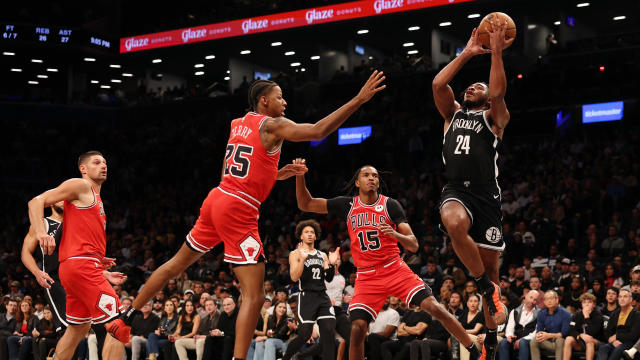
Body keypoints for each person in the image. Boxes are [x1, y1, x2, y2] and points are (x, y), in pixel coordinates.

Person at [123, 71, 386, 360]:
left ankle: (128, 313)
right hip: (238, 208)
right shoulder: (273, 124)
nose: (284, 102)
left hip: (217, 198)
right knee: (255, 295)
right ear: (264, 101)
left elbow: (247, 164)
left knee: (174, 265)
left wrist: (277, 173)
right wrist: (359, 99)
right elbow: (317, 131)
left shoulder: (238, 123)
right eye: (279, 97)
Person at [295, 163, 482, 360]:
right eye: (366, 175)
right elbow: (305, 204)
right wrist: (300, 176)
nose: (372, 178)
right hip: (366, 276)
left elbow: (414, 245)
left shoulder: (389, 205)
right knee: (357, 328)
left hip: (394, 268)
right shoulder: (347, 205)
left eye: (375, 176)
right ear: (357, 182)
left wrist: (395, 234)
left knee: (435, 307)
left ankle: (473, 348)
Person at [432, 18, 514, 360]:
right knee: (452, 223)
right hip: (456, 190)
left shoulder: (495, 118)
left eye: (476, 87)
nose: (471, 88)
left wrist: (496, 53)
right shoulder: (451, 114)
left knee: (492, 276)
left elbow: (497, 92)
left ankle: (491, 340)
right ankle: (482, 286)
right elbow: (438, 83)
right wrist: (466, 53)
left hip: (486, 196)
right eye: (469, 87)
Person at [26, 151, 129, 360]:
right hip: (81, 267)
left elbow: (80, 237)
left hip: (76, 268)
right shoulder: (81, 185)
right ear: (83, 169)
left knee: (77, 329)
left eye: (105, 162)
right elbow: (35, 202)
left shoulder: (95, 198)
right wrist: (41, 232)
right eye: (96, 162)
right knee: (117, 325)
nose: (103, 165)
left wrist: (99, 261)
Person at [283, 220, 340, 360]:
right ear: (301, 236)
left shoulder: (322, 255)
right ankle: (287, 358)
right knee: (304, 335)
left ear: (315, 237)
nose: (309, 234)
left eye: (312, 232)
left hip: (322, 296)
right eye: (306, 232)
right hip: (306, 297)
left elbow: (329, 278)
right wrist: (302, 260)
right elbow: (294, 277)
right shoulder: (295, 254)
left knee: (328, 331)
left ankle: (302, 356)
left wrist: (332, 265)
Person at [599, 289, 640, 360]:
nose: (622, 299)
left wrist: (617, 336)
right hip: (615, 342)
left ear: (631, 299)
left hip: (630, 342)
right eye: (620, 297)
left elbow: (634, 335)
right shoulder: (615, 313)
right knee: (603, 348)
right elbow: (608, 332)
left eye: (625, 297)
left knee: (618, 349)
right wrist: (613, 341)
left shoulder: (637, 314)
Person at [530, 290, 572, 360]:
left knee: (560, 340)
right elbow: (539, 330)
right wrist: (539, 335)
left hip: (563, 343)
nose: (549, 301)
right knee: (534, 341)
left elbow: (564, 333)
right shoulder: (542, 313)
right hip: (548, 342)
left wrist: (549, 335)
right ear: (544, 302)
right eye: (547, 299)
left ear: (557, 300)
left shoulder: (565, 313)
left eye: (551, 298)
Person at [499, 290, 540, 360]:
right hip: (516, 337)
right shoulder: (515, 311)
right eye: (531, 297)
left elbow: (537, 331)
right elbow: (510, 327)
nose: (532, 301)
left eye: (535, 300)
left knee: (523, 343)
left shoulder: (540, 313)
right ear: (526, 296)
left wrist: (522, 339)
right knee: (504, 342)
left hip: (529, 340)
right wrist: (509, 336)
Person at [563, 293, 603, 360]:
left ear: (594, 304)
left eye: (589, 302)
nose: (586, 304)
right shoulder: (577, 315)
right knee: (568, 339)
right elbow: (571, 330)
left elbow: (592, 333)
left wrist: (586, 317)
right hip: (581, 341)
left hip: (596, 342)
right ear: (582, 304)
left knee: (589, 341)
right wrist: (580, 335)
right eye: (584, 302)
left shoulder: (598, 316)